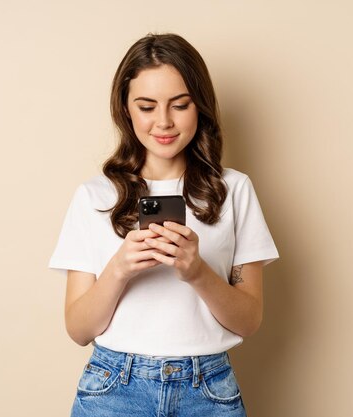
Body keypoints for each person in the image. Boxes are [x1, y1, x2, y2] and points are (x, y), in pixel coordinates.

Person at [49, 33, 279, 417]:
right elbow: (78, 330)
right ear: (126, 110)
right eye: (146, 106)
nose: (164, 122)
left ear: (200, 107)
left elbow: (250, 320)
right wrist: (120, 269)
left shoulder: (233, 190)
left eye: (180, 104)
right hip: (112, 387)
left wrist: (197, 271)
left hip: (207, 389)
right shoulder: (95, 197)